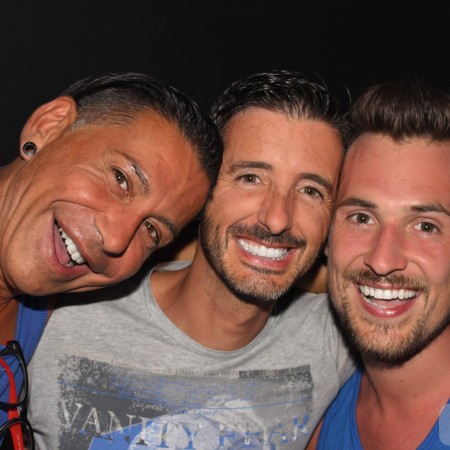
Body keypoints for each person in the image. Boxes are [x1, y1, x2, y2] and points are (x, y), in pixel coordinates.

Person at [27, 70, 355, 449]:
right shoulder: (57, 313)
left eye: (311, 190)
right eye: (250, 178)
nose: (277, 218)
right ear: (203, 191)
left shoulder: (338, 339)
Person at [0, 72, 222, 445]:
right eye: (121, 179)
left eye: (152, 231)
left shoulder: (38, 310)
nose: (117, 239)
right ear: (49, 126)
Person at [311, 80, 450, 449]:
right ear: (326, 238)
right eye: (361, 218)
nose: (383, 260)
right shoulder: (313, 411)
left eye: (425, 226)